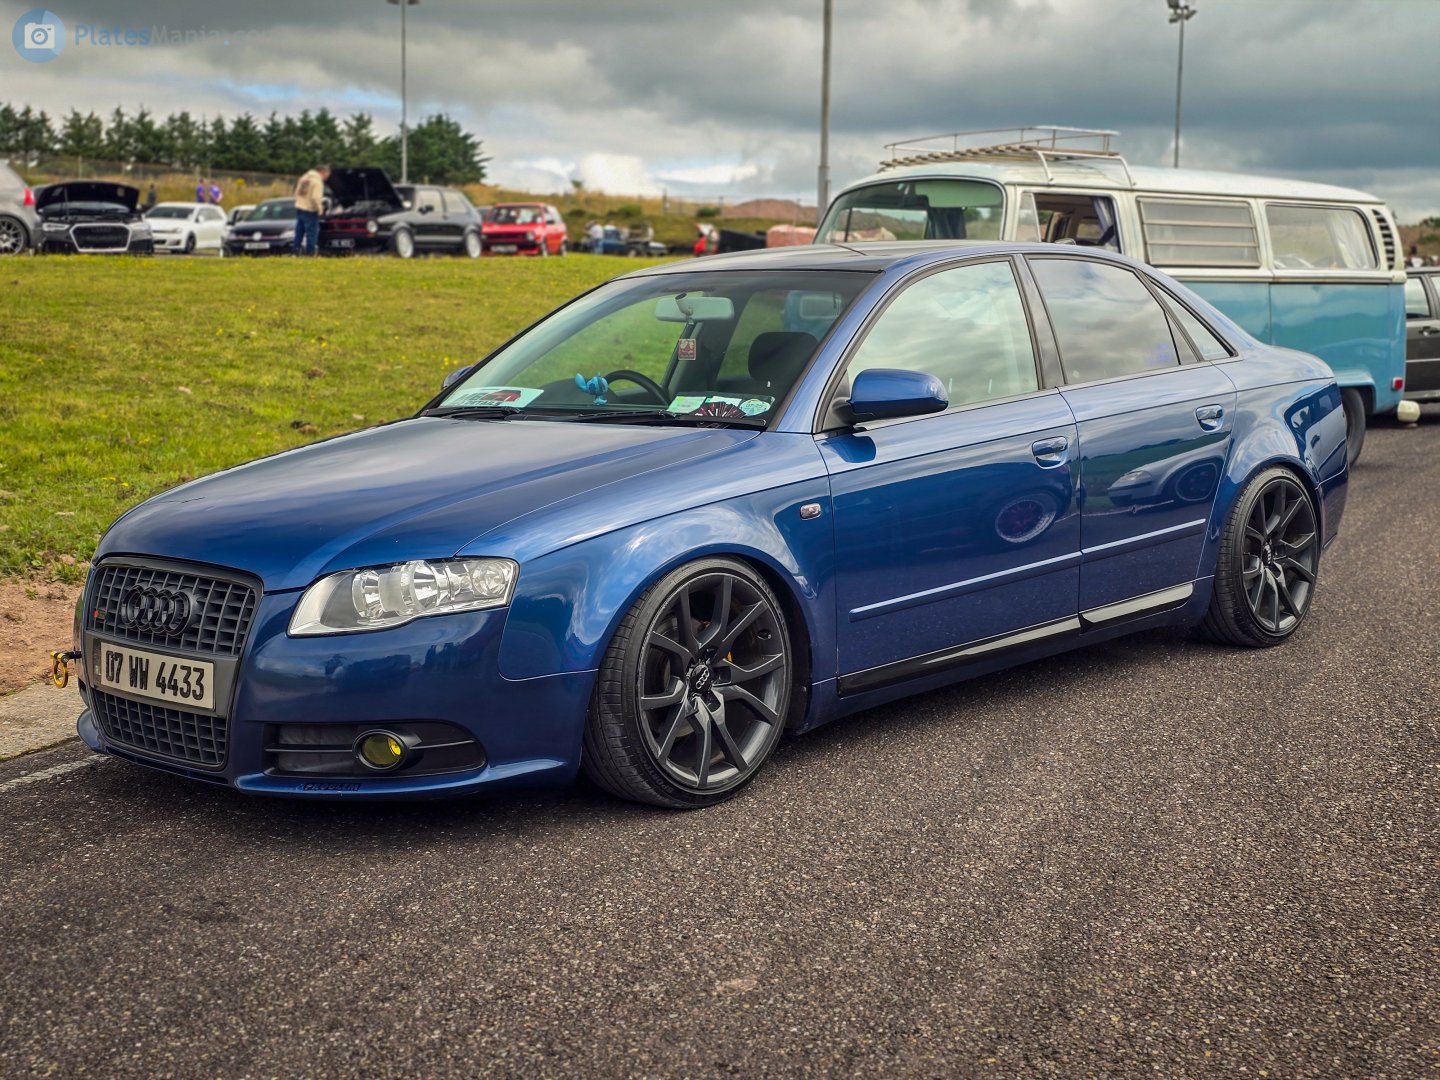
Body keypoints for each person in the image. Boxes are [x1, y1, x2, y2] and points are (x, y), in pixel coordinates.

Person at [292, 163, 329, 256]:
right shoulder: (317, 182)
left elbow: (296, 192)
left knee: (299, 233)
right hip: (310, 210)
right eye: (327, 174)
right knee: (312, 233)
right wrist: (320, 209)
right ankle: (310, 254)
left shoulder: (304, 178)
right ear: (323, 172)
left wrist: (299, 202)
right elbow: (315, 197)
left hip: (299, 208)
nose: (327, 177)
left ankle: (295, 252)